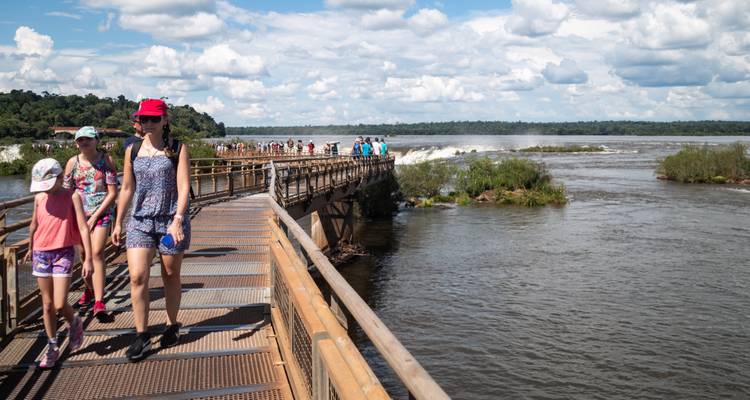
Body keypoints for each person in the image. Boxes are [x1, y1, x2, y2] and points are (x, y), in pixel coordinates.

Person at [112, 98, 191, 362]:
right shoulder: (132, 150)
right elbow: (127, 188)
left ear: (165, 120)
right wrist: (118, 221)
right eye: (143, 119)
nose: (147, 123)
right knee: (137, 277)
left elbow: (183, 188)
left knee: (170, 274)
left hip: (170, 219)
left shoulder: (178, 149)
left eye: (153, 119)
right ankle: (142, 335)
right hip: (140, 221)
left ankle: (171, 324)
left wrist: (178, 219)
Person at [25, 158, 92, 368]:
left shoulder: (73, 196)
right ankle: (52, 346)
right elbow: (34, 224)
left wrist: (88, 258)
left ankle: (74, 322)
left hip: (63, 252)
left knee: (60, 303)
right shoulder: (38, 199)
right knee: (47, 304)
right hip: (41, 252)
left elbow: (82, 227)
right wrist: (29, 247)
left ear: (61, 178)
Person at [64, 126, 117, 319]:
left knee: (96, 253)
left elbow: (112, 192)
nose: (84, 143)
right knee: (84, 254)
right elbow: (67, 190)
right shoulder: (72, 162)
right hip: (78, 214)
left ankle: (99, 301)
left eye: (88, 139)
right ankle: (89, 290)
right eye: (80, 140)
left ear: (96, 140)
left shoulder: (106, 160)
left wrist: (95, 215)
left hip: (101, 212)